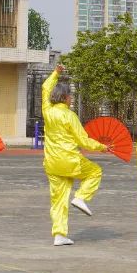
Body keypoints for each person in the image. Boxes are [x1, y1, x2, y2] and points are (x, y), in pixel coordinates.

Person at [41, 63, 107, 246]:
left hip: (52, 163)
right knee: (95, 172)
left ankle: (59, 234)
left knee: (58, 199)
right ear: (65, 97)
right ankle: (81, 197)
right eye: (70, 96)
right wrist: (101, 147)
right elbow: (83, 141)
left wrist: (56, 73)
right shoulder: (69, 116)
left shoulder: (47, 111)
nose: (72, 99)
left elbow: (45, 88)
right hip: (69, 159)